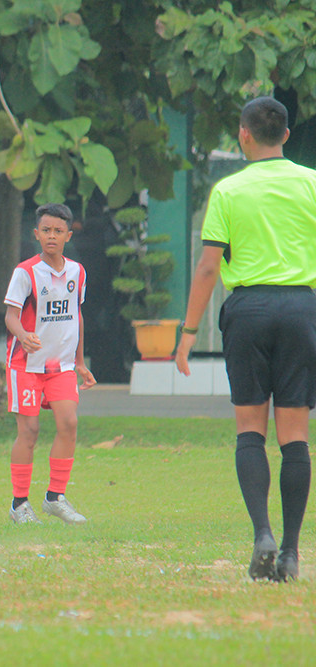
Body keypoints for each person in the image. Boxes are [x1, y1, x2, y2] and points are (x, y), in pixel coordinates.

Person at [176, 96, 316, 583]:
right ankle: (293, 553)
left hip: (249, 311)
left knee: (250, 430)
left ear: (244, 135)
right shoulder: (311, 183)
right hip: (301, 308)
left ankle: (263, 535)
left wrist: (188, 332)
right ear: (287, 135)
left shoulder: (229, 191)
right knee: (294, 434)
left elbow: (209, 267)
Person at [3, 203, 96, 525]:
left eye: (58, 231)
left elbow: (76, 315)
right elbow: (11, 316)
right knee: (28, 431)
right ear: (37, 234)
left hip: (61, 366)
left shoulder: (77, 272)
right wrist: (23, 334)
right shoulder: (25, 272)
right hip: (25, 365)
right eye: (46, 230)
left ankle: (55, 497)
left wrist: (80, 361)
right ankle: (19, 505)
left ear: (68, 235)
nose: (51, 236)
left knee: (68, 423)